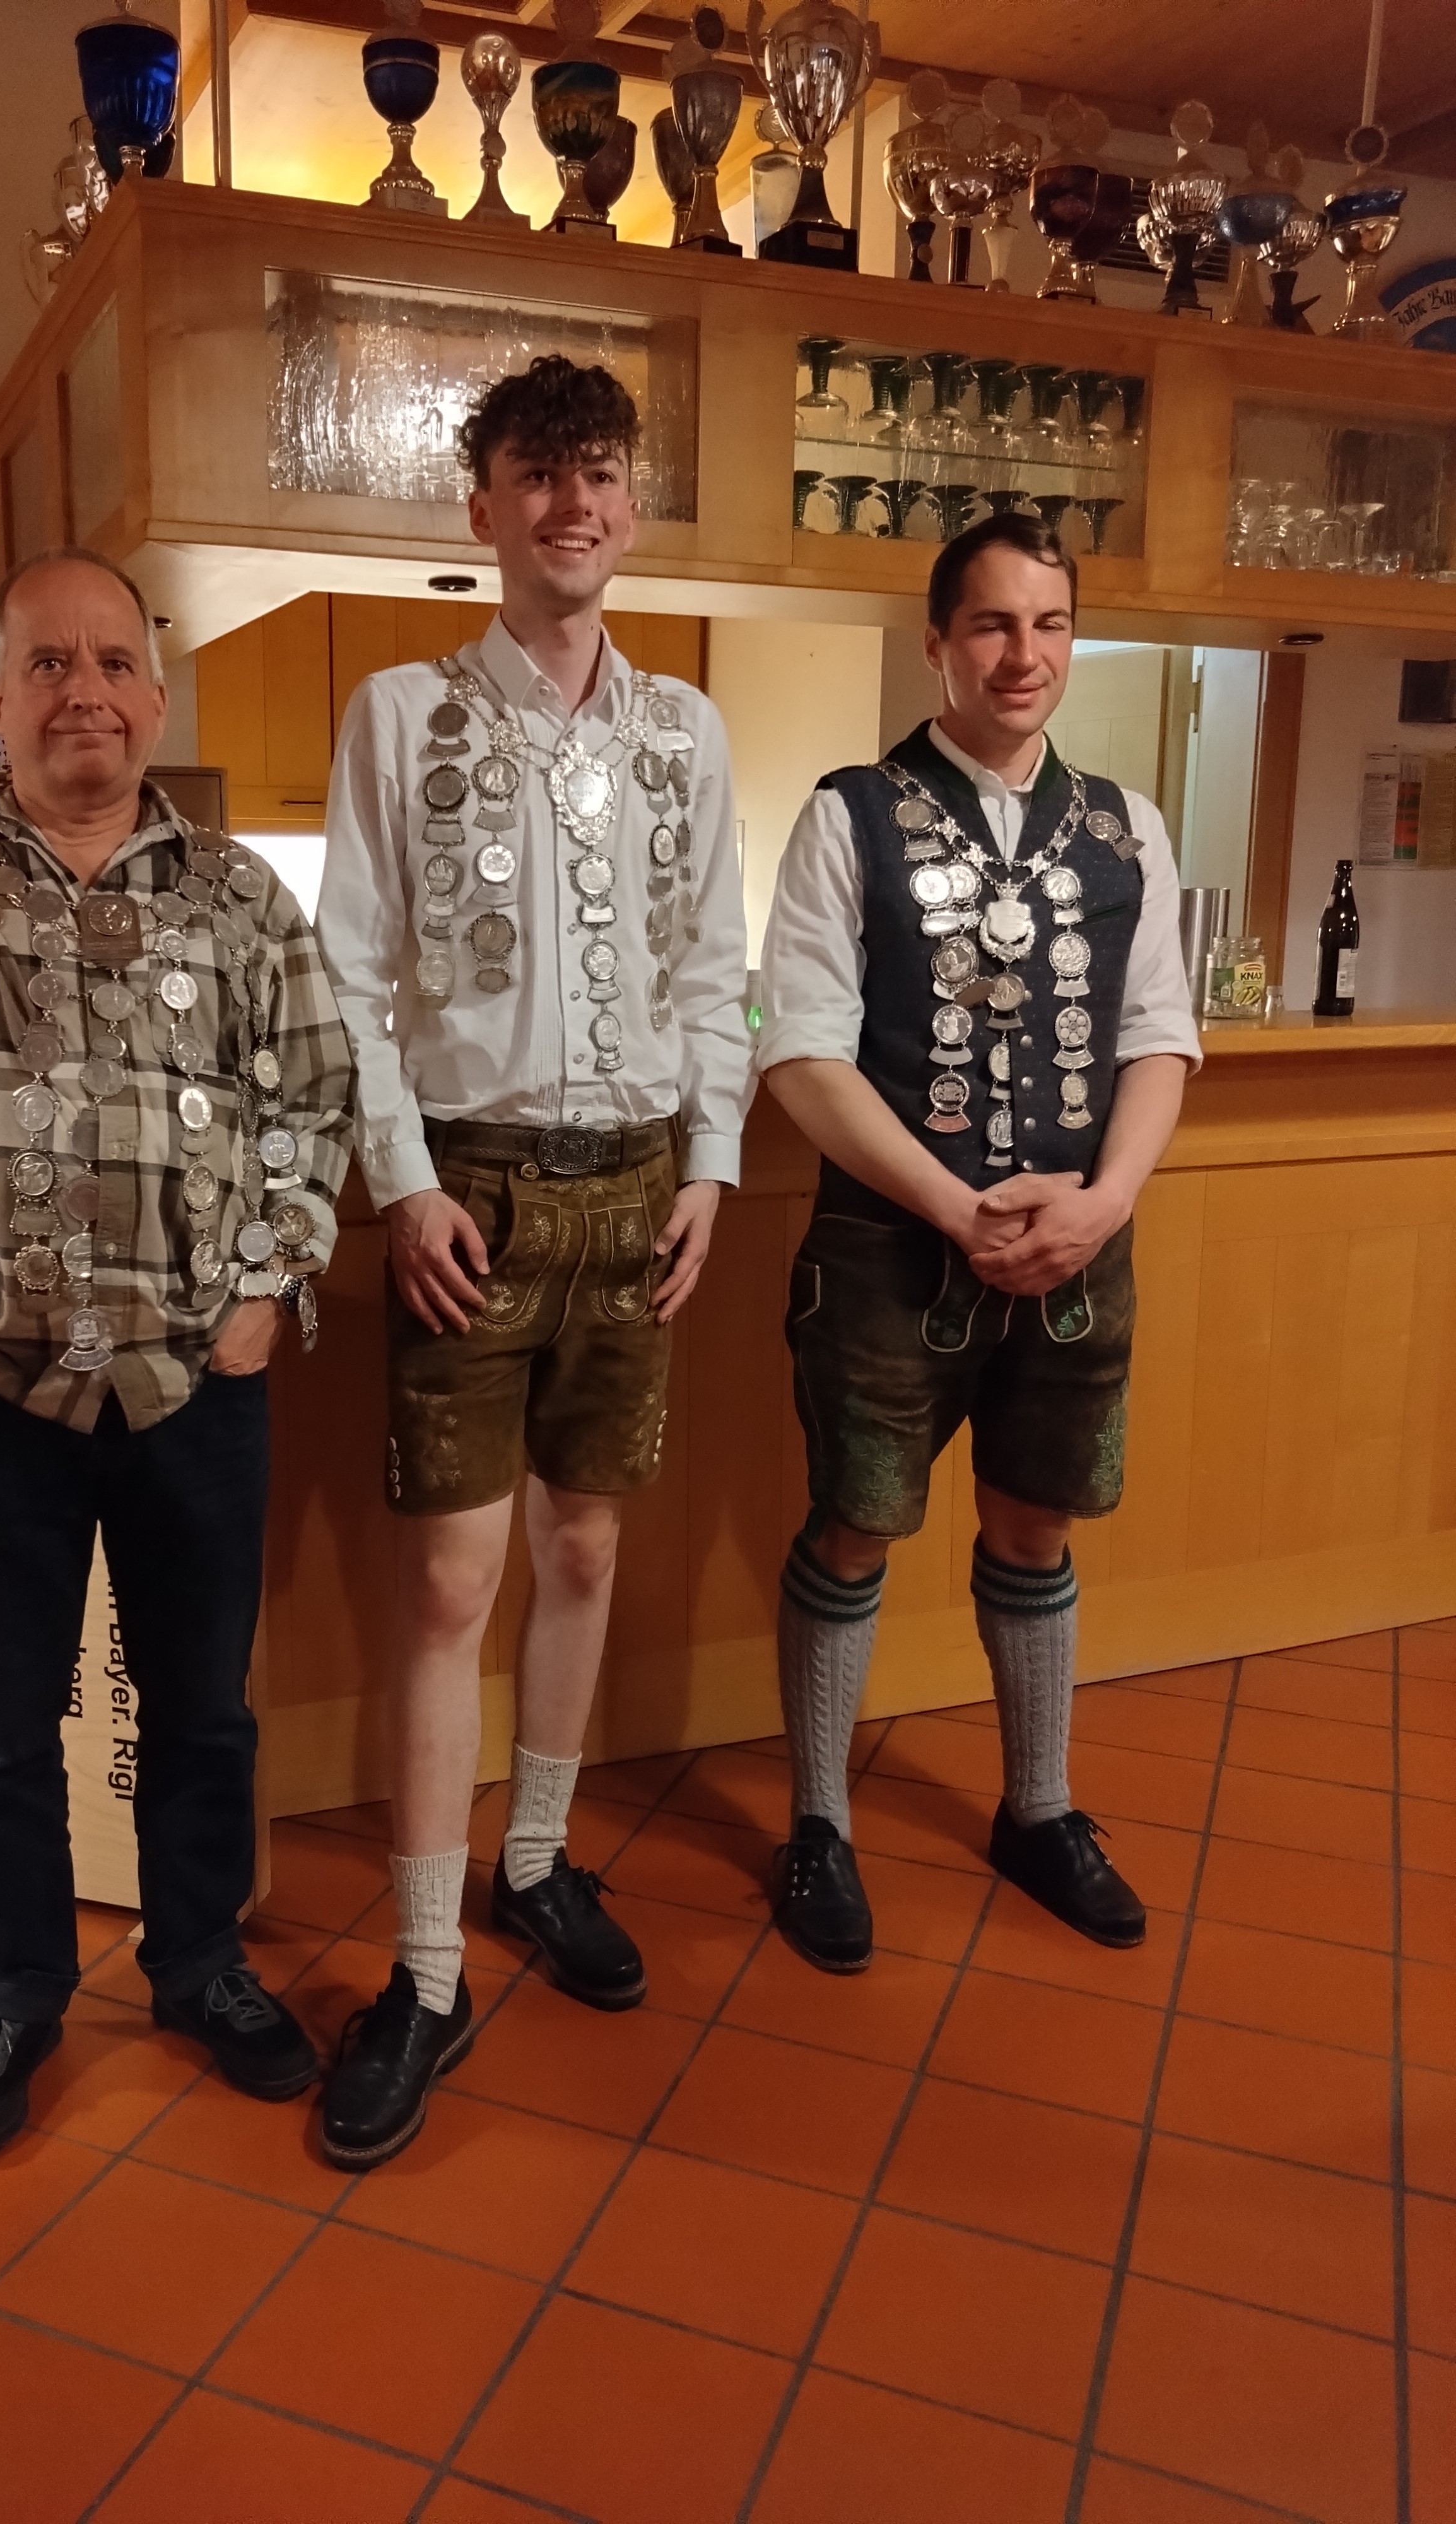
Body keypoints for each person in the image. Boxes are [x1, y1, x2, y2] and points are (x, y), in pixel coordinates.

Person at [0, 548, 353, 2156]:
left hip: (196, 1385)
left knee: (203, 1710)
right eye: (48, 663)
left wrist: (268, 1289)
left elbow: (316, 1104)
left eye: (113, 662)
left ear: (156, 697)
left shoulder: (244, 895)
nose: (83, 691)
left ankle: (200, 1963)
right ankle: (16, 1989)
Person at [312, 357, 751, 2164]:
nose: (575, 503)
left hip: (636, 1190)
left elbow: (713, 966)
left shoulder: (687, 734)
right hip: (471, 1198)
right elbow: (349, 974)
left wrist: (714, 1160)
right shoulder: (400, 714)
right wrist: (404, 1183)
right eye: (539, 472)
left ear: (630, 505)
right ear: (482, 506)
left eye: (601, 472)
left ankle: (540, 1861)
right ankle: (424, 1972)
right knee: (446, 1584)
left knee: (585, 1545)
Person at [755, 510, 1200, 1971]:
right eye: (996, 623)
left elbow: (1159, 1035)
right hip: (890, 1251)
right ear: (939, 640)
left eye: (1051, 622)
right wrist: (954, 1207)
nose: (1026, 653)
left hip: (1079, 1252)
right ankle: (820, 1821)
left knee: (1035, 1519)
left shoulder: (1129, 826)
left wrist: (1105, 1201)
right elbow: (801, 1051)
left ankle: (1040, 1806)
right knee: (858, 1519)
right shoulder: (850, 814)